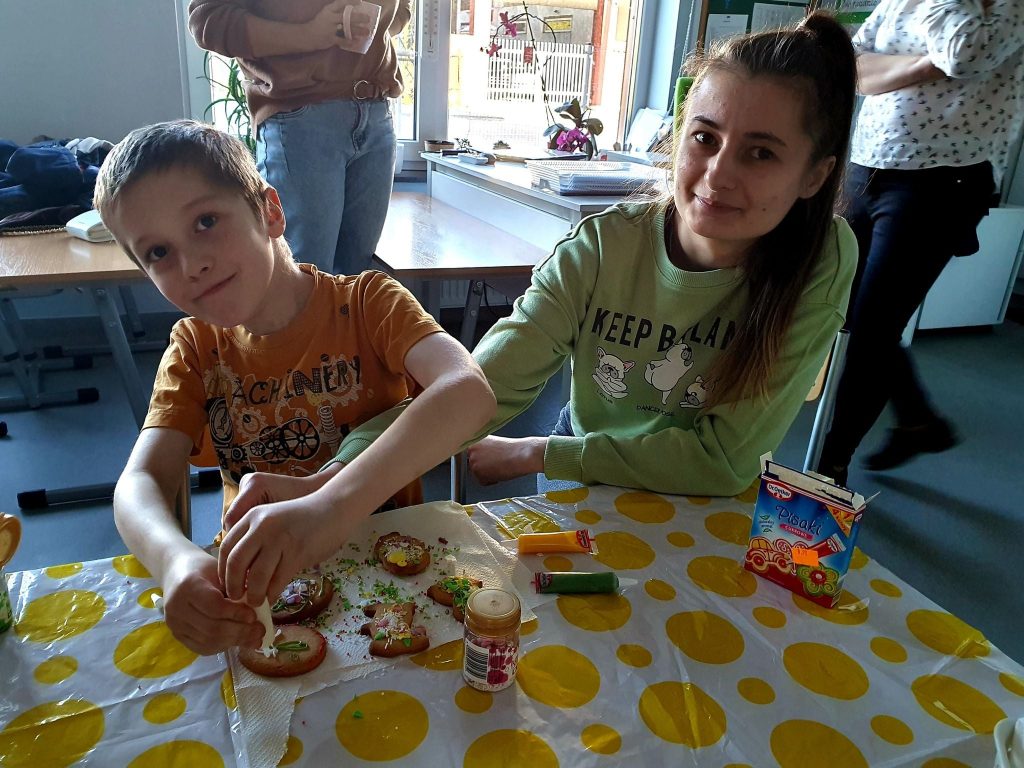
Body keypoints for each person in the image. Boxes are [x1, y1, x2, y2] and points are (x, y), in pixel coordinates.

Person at [94, 120, 495, 655]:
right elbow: (139, 482)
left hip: (393, 578)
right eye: (159, 253)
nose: (192, 265)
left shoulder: (369, 304)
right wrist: (174, 561)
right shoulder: (194, 348)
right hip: (261, 593)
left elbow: (469, 391)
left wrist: (329, 508)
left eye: (206, 222)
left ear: (270, 212)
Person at [463, 12, 860, 496]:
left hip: (697, 494)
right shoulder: (602, 246)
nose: (717, 175)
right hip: (587, 466)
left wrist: (541, 452)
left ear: (814, 176)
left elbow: (722, 463)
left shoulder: (821, 256)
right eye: (705, 138)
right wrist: (373, 452)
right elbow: (479, 386)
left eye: (761, 153)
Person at [817, 0, 1024, 486]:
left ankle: (829, 470)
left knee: (874, 329)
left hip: (943, 182)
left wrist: (929, 35)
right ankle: (918, 420)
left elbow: (964, 54)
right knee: (841, 308)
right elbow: (857, 70)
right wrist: (925, 65)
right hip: (868, 167)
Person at [188, 0, 411, 275]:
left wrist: (374, 27)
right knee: (303, 275)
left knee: (356, 277)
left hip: (377, 112)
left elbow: (402, 8)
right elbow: (208, 21)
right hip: (301, 117)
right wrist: (309, 34)